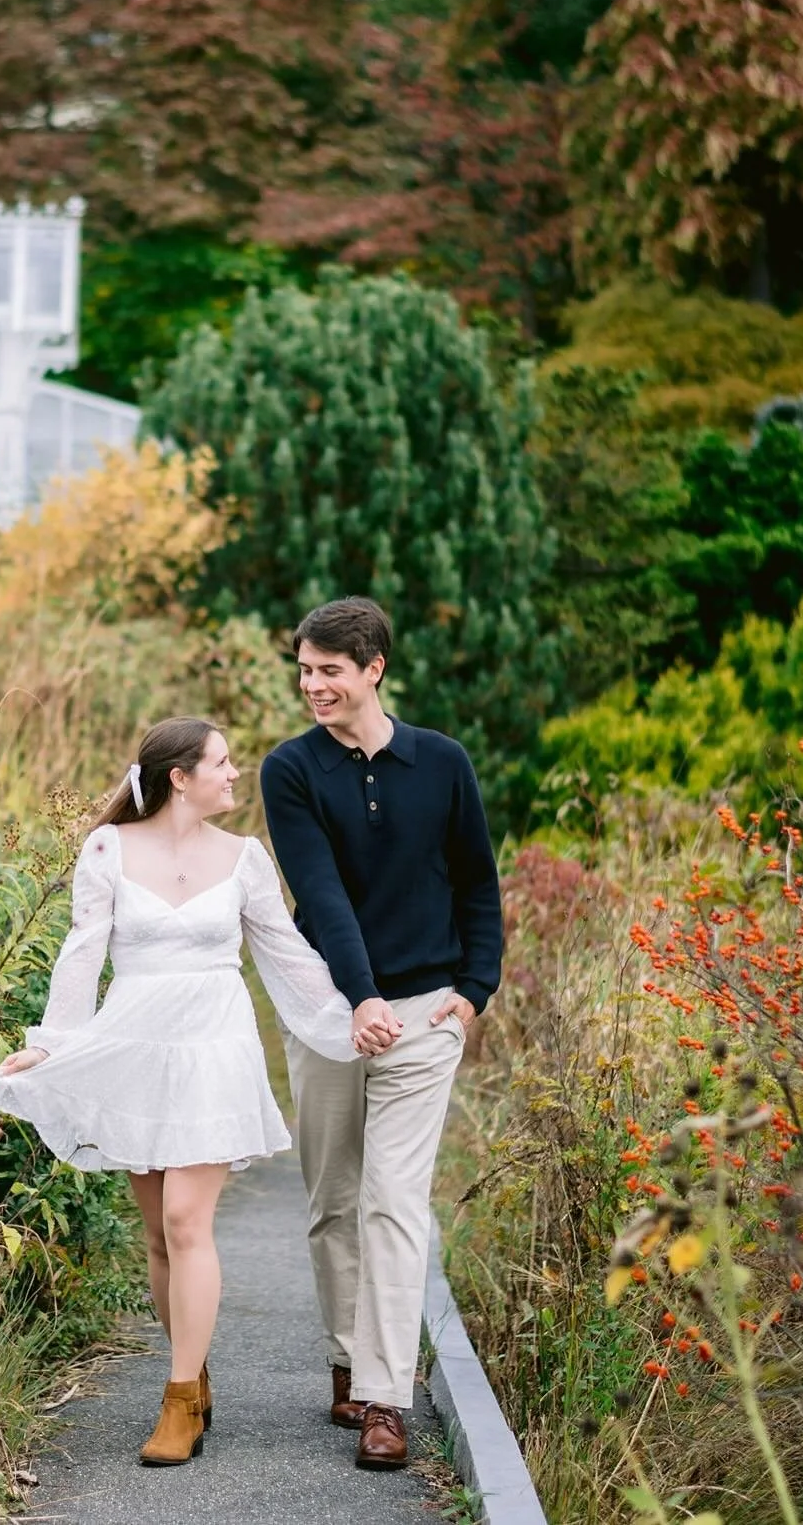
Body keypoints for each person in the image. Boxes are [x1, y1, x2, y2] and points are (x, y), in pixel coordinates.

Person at [0, 716, 397, 1469]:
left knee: (185, 1219)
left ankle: (178, 1400)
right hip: (135, 1045)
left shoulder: (245, 859)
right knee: (156, 1236)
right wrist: (46, 1046)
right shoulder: (108, 848)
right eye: (221, 762)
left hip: (215, 1046)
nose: (235, 772)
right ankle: (194, 1367)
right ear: (180, 777)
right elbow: (80, 957)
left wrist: (351, 1018)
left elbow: (289, 957)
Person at [260, 597, 503, 1472]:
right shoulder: (290, 771)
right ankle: (345, 1358)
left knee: (393, 1203)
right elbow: (318, 891)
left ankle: (385, 1399)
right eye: (304, 670)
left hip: (424, 1014)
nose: (313, 685)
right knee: (331, 1200)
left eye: (329, 669)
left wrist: (474, 989)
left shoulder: (440, 762)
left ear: (373, 669)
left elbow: (478, 881)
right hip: (330, 1013)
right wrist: (356, 998)